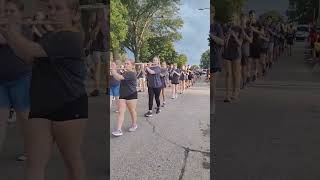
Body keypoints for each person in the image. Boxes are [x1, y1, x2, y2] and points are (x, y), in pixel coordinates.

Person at [0, 0, 88, 179]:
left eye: (58, 8)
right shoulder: (50, 36)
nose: (52, 12)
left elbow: (31, 51)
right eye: (49, 8)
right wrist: (8, 33)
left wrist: (10, 30)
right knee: (34, 162)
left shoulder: (71, 37)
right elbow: (27, 57)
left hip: (68, 104)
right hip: (41, 104)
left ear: (74, 14)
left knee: (72, 162)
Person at [0, 0, 32, 161]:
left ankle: (30, 150)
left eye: (12, 11)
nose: (8, 14)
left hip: (21, 78)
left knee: (24, 118)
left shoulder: (24, 30)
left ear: (20, 13)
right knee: (1, 119)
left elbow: (7, 40)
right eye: (6, 11)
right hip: (1, 81)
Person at [110, 60, 138, 137]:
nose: (125, 65)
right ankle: (118, 129)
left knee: (132, 111)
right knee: (120, 111)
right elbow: (117, 78)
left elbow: (119, 77)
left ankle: (134, 124)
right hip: (122, 94)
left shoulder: (132, 73)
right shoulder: (125, 72)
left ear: (132, 66)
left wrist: (113, 70)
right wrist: (114, 70)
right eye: (125, 63)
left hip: (131, 94)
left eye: (127, 64)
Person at [223, 12, 243, 102]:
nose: (231, 19)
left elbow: (240, 43)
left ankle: (235, 93)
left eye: (233, 17)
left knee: (235, 74)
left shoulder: (239, 29)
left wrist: (234, 35)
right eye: (230, 17)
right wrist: (228, 35)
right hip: (227, 53)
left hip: (236, 53)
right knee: (228, 74)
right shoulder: (226, 28)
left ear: (236, 18)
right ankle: (227, 95)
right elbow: (224, 43)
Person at [89, 9, 108, 97]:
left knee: (107, 69)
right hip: (96, 48)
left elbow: (106, 34)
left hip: (105, 48)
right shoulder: (93, 23)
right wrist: (97, 26)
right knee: (97, 67)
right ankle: (96, 89)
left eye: (101, 13)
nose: (100, 14)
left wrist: (102, 25)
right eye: (98, 13)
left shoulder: (106, 23)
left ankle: (107, 88)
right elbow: (92, 36)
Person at [210, 4, 224, 114]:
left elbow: (222, 42)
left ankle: (212, 104)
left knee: (212, 85)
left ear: (213, 13)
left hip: (215, 58)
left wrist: (211, 35)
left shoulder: (217, 26)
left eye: (210, 12)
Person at [240, 13, 252, 89]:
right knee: (238, 69)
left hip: (245, 50)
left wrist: (243, 32)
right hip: (236, 51)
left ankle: (244, 82)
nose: (242, 20)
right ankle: (239, 83)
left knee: (243, 68)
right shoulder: (237, 27)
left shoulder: (248, 29)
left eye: (244, 18)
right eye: (241, 18)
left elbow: (250, 40)